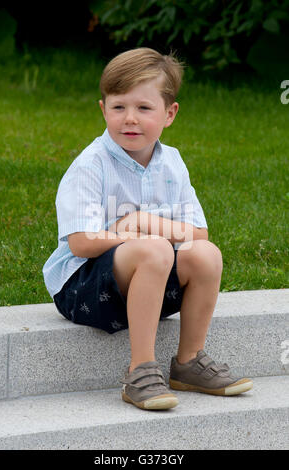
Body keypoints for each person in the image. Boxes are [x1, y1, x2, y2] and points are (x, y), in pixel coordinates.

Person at [43, 48, 253, 411]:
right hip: (84, 289)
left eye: (144, 108)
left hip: (146, 282)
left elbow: (198, 234)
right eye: (118, 107)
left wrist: (143, 223)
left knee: (206, 255)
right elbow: (80, 242)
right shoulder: (91, 164)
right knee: (156, 248)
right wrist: (139, 238)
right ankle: (140, 372)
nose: (130, 119)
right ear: (103, 109)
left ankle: (188, 363)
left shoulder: (171, 162)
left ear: (169, 114)